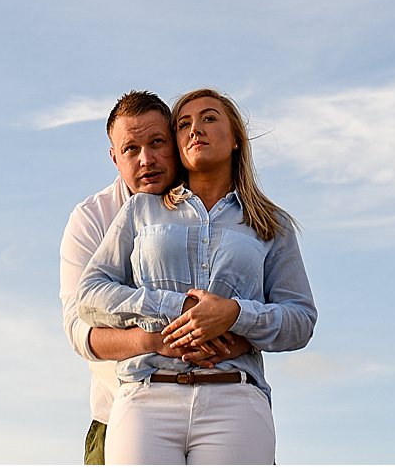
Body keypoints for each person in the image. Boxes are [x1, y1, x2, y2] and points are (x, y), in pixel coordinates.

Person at [79, 88, 316, 465]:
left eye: (209, 118)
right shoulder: (142, 209)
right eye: (184, 124)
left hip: (234, 396)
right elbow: (91, 296)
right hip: (147, 394)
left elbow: (301, 320)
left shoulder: (271, 225)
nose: (195, 130)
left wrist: (236, 315)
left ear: (236, 137)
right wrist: (176, 308)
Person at [61, 92, 253, 464]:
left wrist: (238, 332)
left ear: (175, 144)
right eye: (130, 149)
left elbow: (251, 303)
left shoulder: (220, 210)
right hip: (119, 412)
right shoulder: (91, 219)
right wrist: (159, 341)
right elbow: (81, 330)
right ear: (114, 157)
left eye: (157, 143)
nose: (146, 159)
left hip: (224, 405)